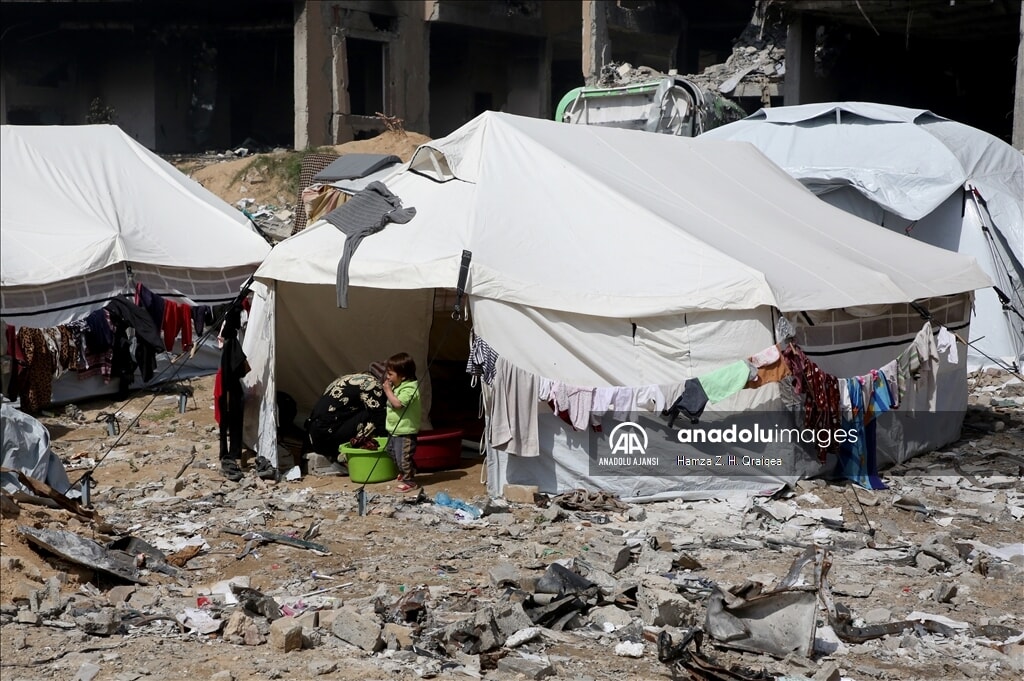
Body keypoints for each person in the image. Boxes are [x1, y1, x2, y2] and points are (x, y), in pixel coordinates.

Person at [305, 371, 386, 461]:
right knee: (378, 414)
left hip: (315, 436)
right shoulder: (372, 384)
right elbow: (380, 418)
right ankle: (350, 456)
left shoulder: (349, 378)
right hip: (328, 440)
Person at [382, 352, 421, 492]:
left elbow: (398, 404)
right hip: (394, 429)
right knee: (391, 452)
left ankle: (409, 481)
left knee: (403, 457)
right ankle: (410, 469)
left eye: (390, 374)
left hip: (405, 431)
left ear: (403, 376)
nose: (387, 377)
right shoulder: (397, 386)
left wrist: (388, 391)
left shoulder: (410, 388)